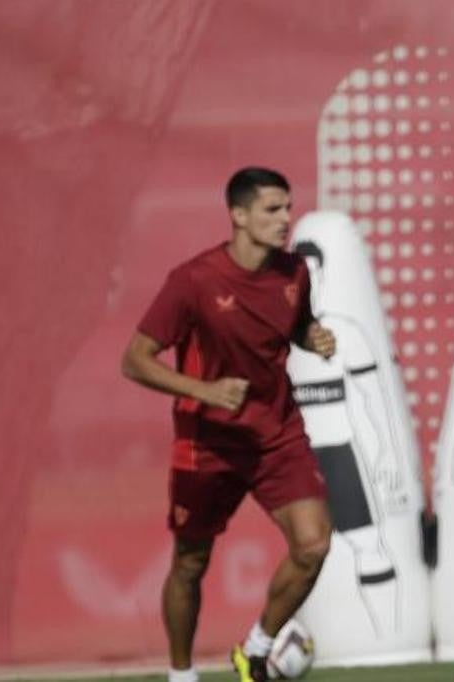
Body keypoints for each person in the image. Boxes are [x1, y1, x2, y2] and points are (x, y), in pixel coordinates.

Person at [120, 167, 337, 682]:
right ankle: (182, 675)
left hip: (276, 435)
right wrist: (205, 392)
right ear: (238, 216)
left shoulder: (294, 272)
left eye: (287, 208)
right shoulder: (193, 281)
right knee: (190, 563)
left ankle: (256, 651)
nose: (285, 219)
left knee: (313, 545)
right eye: (272, 209)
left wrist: (315, 337)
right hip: (207, 443)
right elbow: (135, 360)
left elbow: (296, 325)